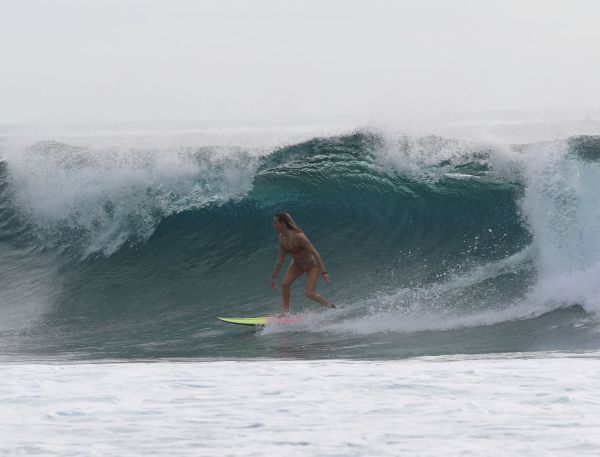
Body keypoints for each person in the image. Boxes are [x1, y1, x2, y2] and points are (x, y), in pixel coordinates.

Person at [270, 212, 334, 314]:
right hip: (297, 264)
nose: (274, 225)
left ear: (283, 223)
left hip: (312, 264)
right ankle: (286, 313)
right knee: (285, 284)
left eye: (275, 223)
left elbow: (315, 253)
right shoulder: (281, 238)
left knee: (309, 293)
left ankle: (331, 306)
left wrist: (324, 272)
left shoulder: (299, 236)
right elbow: (280, 260)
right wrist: (273, 277)